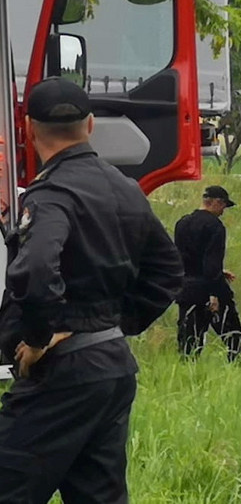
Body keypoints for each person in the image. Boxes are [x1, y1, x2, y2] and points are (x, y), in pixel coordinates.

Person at [0, 77, 183, 502]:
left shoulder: (51, 195)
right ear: (91, 125)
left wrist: (40, 337)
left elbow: (37, 270)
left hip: (63, 373)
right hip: (111, 368)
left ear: (28, 128)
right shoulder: (124, 188)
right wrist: (110, 326)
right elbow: (169, 270)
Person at [174, 185, 241, 362]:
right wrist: (214, 294)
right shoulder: (215, 227)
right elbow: (211, 265)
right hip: (208, 289)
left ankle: (187, 378)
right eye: (223, 207)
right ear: (216, 203)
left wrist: (219, 272)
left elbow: (184, 259)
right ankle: (238, 371)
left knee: (188, 342)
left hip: (186, 290)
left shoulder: (182, 223)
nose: (223, 212)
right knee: (234, 338)